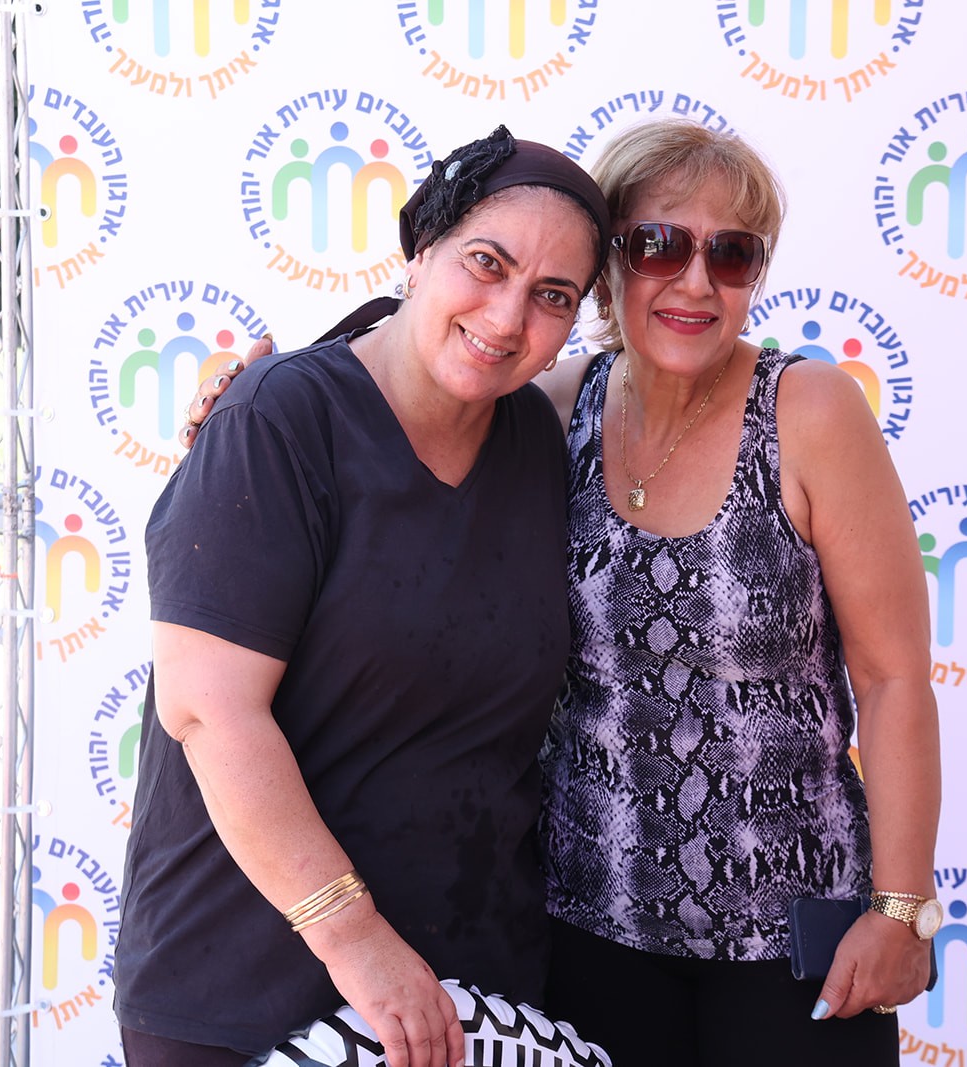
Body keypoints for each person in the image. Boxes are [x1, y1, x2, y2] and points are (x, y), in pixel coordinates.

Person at [187, 118, 941, 1067]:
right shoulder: (549, 409)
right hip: (586, 928)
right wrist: (250, 400)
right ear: (608, 268)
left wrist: (902, 907)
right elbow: (414, 377)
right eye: (658, 245)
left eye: (732, 255)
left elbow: (893, 675)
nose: (695, 281)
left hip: (792, 940)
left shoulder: (811, 411)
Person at [114, 126, 613, 1067]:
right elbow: (210, 710)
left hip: (471, 995)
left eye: (554, 295)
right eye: (486, 262)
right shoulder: (278, 418)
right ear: (419, 250)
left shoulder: (539, 439)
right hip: (248, 983)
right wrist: (356, 942)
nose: (509, 316)